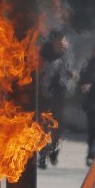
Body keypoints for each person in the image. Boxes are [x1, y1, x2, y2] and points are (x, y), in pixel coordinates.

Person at [38, 30, 75, 169]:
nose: (62, 44)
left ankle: (54, 150)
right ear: (53, 41)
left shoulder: (66, 54)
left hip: (59, 95)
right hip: (44, 95)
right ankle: (42, 156)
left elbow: (69, 70)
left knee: (57, 127)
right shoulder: (44, 54)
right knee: (44, 127)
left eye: (63, 41)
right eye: (59, 41)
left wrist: (71, 74)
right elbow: (39, 72)